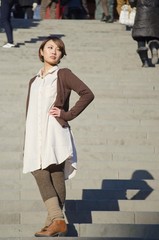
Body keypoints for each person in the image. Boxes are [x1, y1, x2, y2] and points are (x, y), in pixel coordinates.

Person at [23, 36, 94, 237]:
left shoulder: (63, 74)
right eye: (50, 47)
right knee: (51, 174)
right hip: (36, 135)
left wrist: (67, 114)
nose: (54, 51)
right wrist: (28, 139)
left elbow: (87, 93)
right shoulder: (34, 81)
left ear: (62, 55)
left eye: (59, 49)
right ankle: (52, 223)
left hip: (54, 131)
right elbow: (31, 112)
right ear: (41, 52)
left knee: (43, 171)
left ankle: (56, 219)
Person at [131, 0, 159, 67]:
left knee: (140, 38)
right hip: (154, 13)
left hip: (141, 13)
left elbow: (131, 1)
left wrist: (133, 4)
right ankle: (153, 47)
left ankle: (145, 62)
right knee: (152, 34)